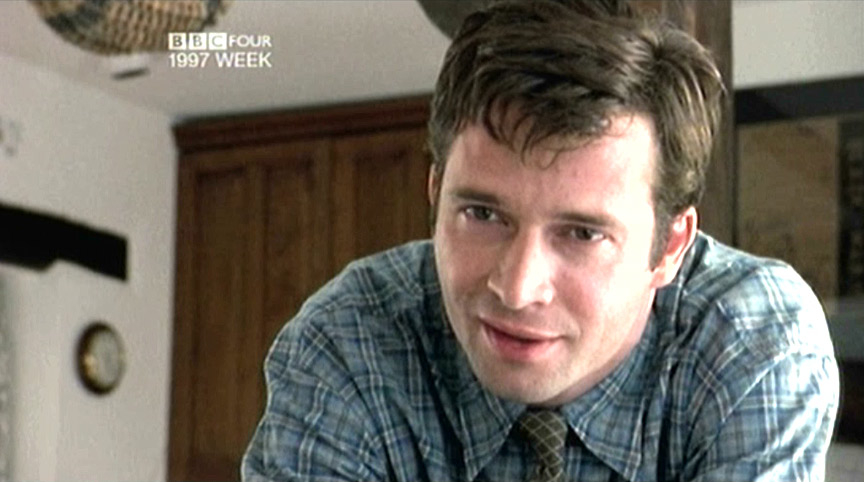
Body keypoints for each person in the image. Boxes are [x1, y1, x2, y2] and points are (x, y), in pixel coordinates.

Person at [242, 0, 839, 480]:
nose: (517, 287)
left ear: (669, 248)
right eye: (482, 213)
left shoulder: (751, 339)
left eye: (582, 233)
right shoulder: (350, 342)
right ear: (435, 192)